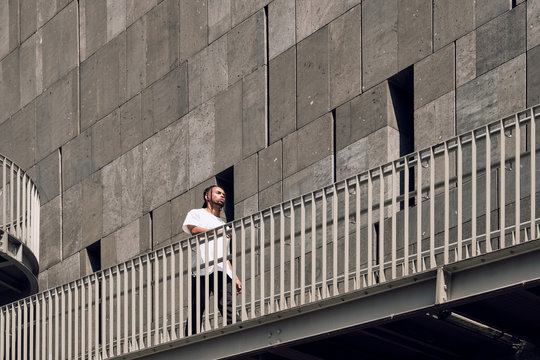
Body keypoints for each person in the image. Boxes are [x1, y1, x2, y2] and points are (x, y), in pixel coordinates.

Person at [183, 185, 242, 335]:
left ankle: (238, 332)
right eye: (218, 193)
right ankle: (190, 337)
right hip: (202, 269)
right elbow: (193, 230)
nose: (222, 195)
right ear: (207, 196)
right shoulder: (197, 213)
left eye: (223, 194)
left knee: (227, 304)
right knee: (199, 305)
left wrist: (234, 276)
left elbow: (225, 254)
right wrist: (217, 232)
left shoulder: (224, 225)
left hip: (222, 269)